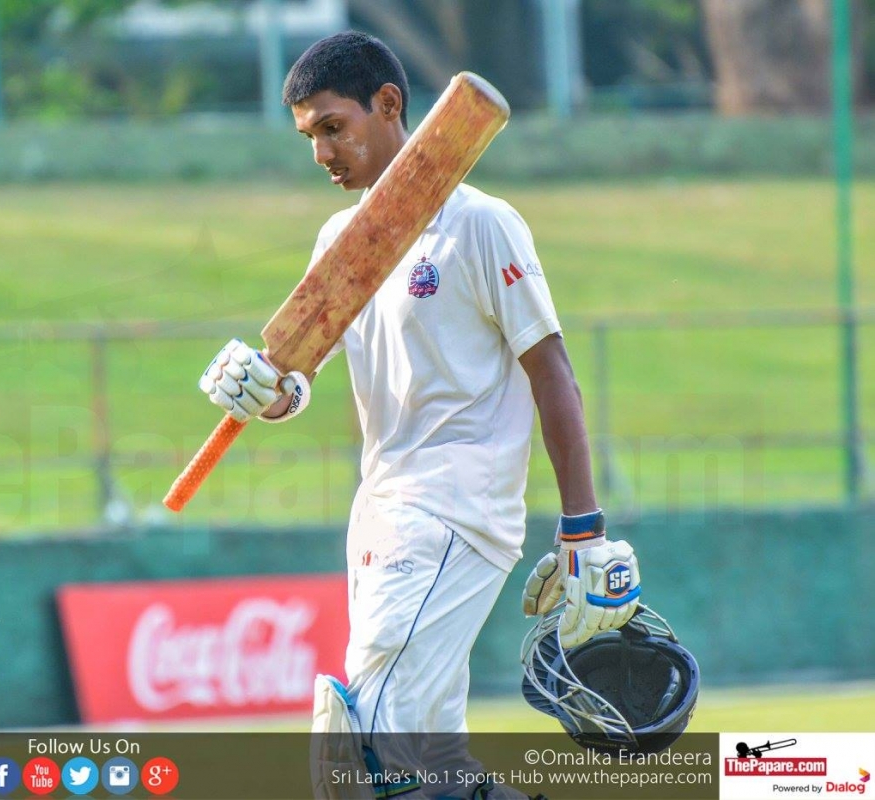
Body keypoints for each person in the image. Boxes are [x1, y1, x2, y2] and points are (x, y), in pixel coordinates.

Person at [197, 31, 640, 799]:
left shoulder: (481, 224)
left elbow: (552, 372)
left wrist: (584, 530)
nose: (321, 153)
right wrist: (263, 392)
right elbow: (300, 379)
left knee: (370, 755)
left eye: (333, 127)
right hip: (381, 511)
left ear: (388, 104)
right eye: (309, 137)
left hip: (454, 511)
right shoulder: (339, 239)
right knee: (437, 770)